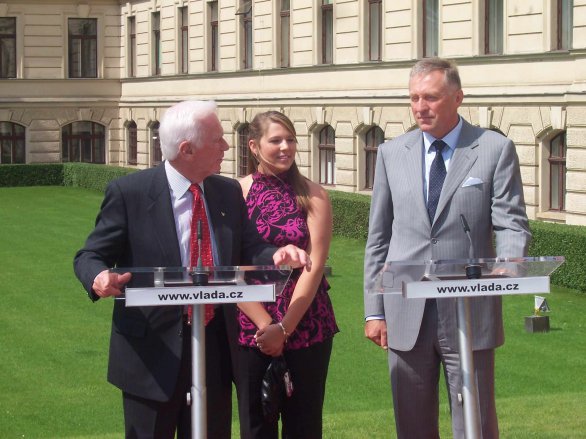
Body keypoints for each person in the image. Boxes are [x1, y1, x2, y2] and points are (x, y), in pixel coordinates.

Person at [73, 100, 310, 439]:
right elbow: (89, 254)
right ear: (187, 149)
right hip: (152, 354)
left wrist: (277, 254)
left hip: (214, 346)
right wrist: (98, 277)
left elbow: (248, 248)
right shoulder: (130, 193)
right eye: (217, 139)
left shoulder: (226, 192)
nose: (227, 146)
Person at [363, 58, 531, 439]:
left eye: (431, 98)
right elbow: (379, 239)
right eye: (414, 98)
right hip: (405, 309)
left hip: (469, 309)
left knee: (476, 422)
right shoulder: (392, 153)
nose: (420, 107)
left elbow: (511, 221)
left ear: (457, 97)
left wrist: (507, 264)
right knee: (413, 426)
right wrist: (374, 310)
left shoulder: (493, 148)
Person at [235, 111, 339, 439]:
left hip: (306, 323)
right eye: (276, 140)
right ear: (253, 146)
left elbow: (315, 265)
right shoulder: (234, 194)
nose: (285, 147)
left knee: (304, 427)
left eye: (290, 139)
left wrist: (284, 328)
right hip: (249, 326)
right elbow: (231, 265)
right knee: (257, 426)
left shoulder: (314, 195)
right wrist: (266, 326)